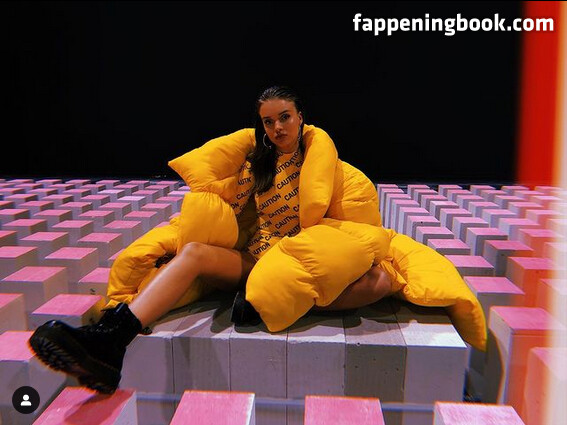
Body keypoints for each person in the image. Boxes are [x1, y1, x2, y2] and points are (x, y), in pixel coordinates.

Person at [28, 86, 394, 394]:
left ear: (301, 117)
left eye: (284, 117)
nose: (278, 128)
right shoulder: (257, 166)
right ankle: (111, 340)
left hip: (302, 259)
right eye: (268, 121)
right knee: (193, 252)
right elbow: (231, 209)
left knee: (380, 280)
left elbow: (350, 227)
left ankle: (270, 301)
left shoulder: (335, 171)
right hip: (257, 259)